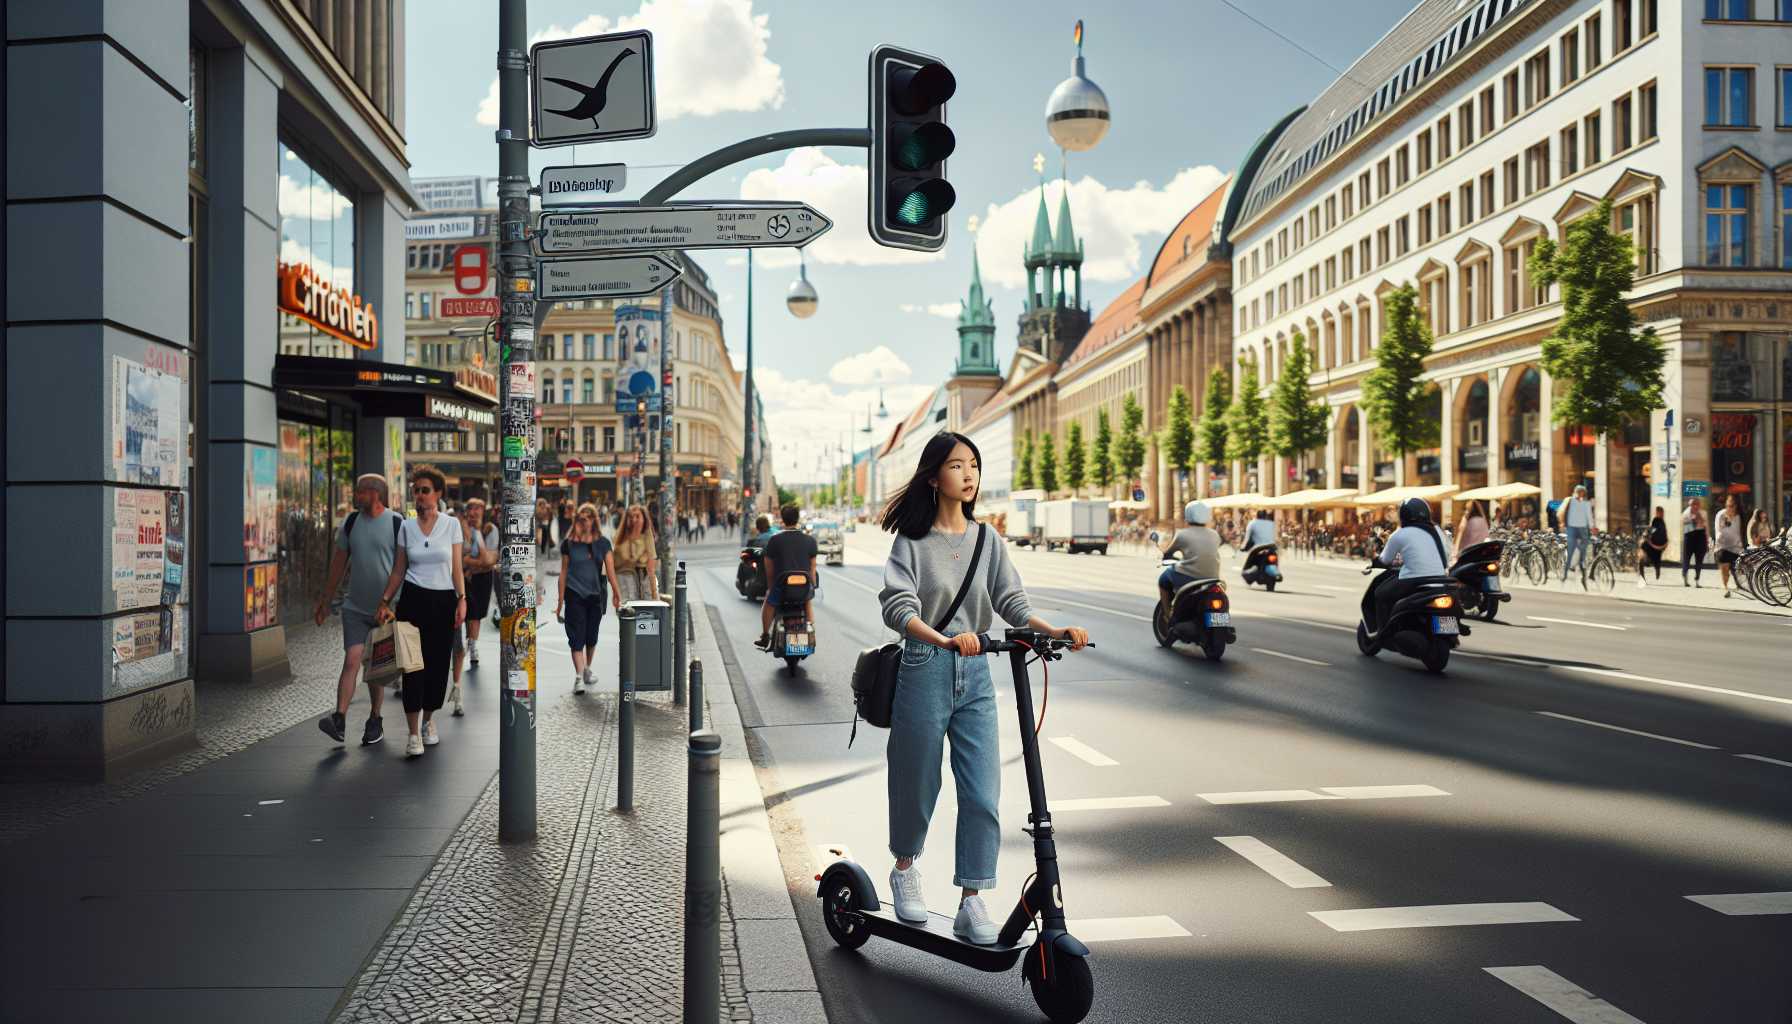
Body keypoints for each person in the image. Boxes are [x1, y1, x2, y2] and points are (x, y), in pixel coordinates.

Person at [877, 432, 1089, 947]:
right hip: (927, 664)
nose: (968, 474)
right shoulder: (912, 542)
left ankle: (972, 898)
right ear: (934, 477)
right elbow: (897, 608)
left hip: (975, 676)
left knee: (981, 791)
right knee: (917, 780)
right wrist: (944, 639)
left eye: (973, 465)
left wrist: (1051, 631)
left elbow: (1011, 602)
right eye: (956, 465)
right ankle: (905, 867)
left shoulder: (987, 539)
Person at [374, 465, 466, 758]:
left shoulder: (451, 525)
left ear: (438, 494)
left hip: (443, 602)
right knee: (412, 666)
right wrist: (385, 599)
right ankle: (413, 734)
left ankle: (428, 721)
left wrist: (462, 599)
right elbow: (399, 569)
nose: (420, 495)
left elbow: (457, 568)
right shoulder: (406, 526)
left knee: (438, 667)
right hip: (413, 601)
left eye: (425, 490)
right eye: (416, 490)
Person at [313, 474, 401, 746]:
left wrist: (394, 603)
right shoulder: (351, 523)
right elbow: (338, 564)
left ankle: (375, 719)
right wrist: (325, 600)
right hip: (355, 607)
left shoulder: (397, 523)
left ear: (375, 494)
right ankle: (339, 719)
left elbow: (402, 567)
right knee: (352, 659)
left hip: (385, 611)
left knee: (375, 669)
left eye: (359, 491)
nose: (355, 496)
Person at [557, 503, 622, 694]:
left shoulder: (602, 543)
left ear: (595, 520)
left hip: (595, 596)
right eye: (580, 518)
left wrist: (617, 594)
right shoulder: (568, 544)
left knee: (591, 637)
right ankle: (578, 676)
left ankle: (587, 669)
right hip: (574, 594)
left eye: (587, 517)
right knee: (576, 637)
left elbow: (610, 571)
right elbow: (563, 572)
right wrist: (560, 602)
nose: (584, 521)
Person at [1368, 497, 1451, 631]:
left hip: (1413, 581)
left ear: (1404, 514)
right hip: (1440, 581)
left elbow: (1385, 560)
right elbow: (1446, 556)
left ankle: (1383, 632)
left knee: (1380, 594)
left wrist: (1374, 561)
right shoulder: (1438, 532)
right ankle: (1448, 631)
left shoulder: (1400, 534)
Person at [755, 504, 818, 651]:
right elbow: (813, 569)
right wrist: (813, 586)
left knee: (768, 604)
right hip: (803, 587)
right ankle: (811, 633)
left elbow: (769, 569)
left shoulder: (774, 540)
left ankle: (765, 636)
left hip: (782, 587)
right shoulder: (810, 541)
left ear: (782, 519)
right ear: (797, 519)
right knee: (807, 601)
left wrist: (771, 588)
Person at [1159, 500, 1224, 605]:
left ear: (1187, 516)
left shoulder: (1183, 534)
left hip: (1189, 577)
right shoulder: (1215, 535)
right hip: (1213, 578)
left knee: (1163, 579)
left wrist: (1166, 554)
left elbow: (1168, 553)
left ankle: (1168, 615)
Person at [460, 499, 499, 668]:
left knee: (476, 614)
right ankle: (470, 645)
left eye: (478, 509)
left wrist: (469, 562)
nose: (474, 513)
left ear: (484, 511)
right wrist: (468, 562)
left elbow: (488, 560)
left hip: (482, 578)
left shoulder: (490, 529)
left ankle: (472, 644)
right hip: (463, 577)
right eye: (470, 509)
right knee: (468, 613)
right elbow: (457, 557)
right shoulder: (460, 528)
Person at [613, 504, 658, 603]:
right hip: (624, 582)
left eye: (637, 516)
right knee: (628, 614)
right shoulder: (621, 539)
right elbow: (611, 566)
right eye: (631, 516)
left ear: (644, 519)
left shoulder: (647, 535)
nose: (634, 520)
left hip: (643, 581)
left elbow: (651, 567)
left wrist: (654, 593)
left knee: (643, 613)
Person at [1560, 485, 1595, 587]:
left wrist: (1592, 528)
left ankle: (1583, 578)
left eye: (1582, 492)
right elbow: (1565, 514)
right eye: (1579, 492)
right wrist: (1566, 526)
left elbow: (1589, 517)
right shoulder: (1571, 502)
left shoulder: (1586, 503)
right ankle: (1565, 575)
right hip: (1572, 530)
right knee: (1571, 554)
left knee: (1582, 557)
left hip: (1583, 530)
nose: (1581, 494)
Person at [1713, 494, 1745, 598]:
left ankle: (1740, 587)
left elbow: (1741, 532)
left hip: (1736, 548)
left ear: (1736, 506)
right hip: (1723, 546)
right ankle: (1725, 587)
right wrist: (1718, 537)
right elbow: (1718, 529)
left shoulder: (1740, 516)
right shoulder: (1721, 515)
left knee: (1737, 570)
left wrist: (1742, 545)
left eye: (1731, 506)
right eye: (1727, 505)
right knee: (1725, 568)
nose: (1729, 508)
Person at [534, 498, 563, 607]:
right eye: (540, 506)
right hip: (535, 554)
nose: (542, 509)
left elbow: (547, 539)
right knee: (536, 576)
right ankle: (537, 594)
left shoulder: (549, 519)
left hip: (542, 554)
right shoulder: (534, 520)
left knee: (539, 575)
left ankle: (538, 595)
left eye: (544, 506)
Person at [1682, 498, 1709, 587]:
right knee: (1687, 558)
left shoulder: (1703, 513)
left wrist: (1707, 540)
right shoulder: (1686, 513)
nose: (1695, 506)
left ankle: (1697, 580)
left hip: (1700, 535)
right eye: (1693, 504)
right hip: (1689, 536)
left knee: (1699, 559)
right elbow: (1685, 525)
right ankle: (1685, 577)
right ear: (1690, 505)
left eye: (1697, 504)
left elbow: (1705, 526)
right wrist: (1693, 519)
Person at [1638, 505, 1668, 586]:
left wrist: (1646, 535)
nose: (1660, 513)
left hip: (1655, 545)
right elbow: (1652, 530)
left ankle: (1654, 570)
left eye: (1659, 512)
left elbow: (1652, 530)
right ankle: (1643, 577)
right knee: (1644, 559)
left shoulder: (1658, 521)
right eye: (1659, 512)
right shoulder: (1659, 521)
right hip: (1655, 545)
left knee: (1654, 560)